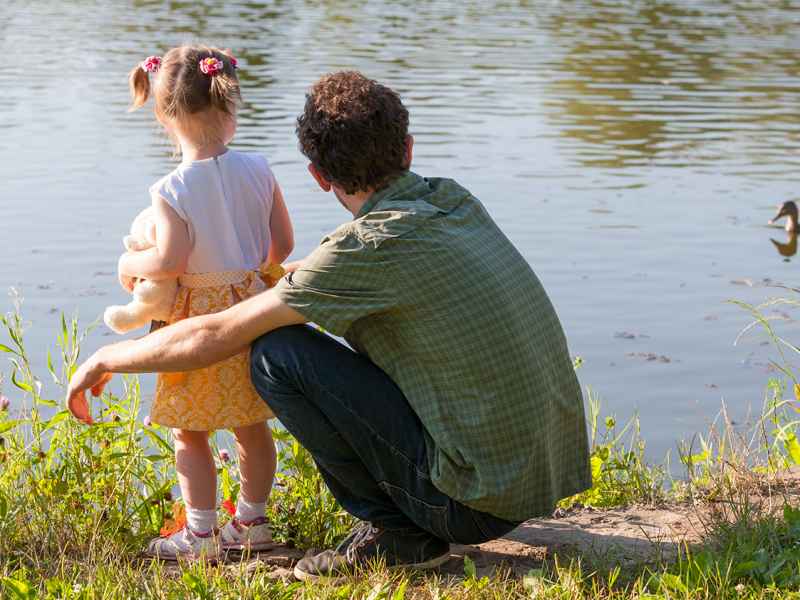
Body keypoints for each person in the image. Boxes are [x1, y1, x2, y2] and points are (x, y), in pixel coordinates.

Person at [67, 71, 591, 581]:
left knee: (275, 352)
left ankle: (398, 533)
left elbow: (212, 336)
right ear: (407, 149)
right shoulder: (450, 198)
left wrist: (105, 357)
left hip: (471, 506)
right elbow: (350, 257)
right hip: (541, 475)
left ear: (319, 177)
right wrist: (301, 273)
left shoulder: (362, 250)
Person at [72, 44, 294, 563]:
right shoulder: (261, 168)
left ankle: (200, 535)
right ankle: (254, 523)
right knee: (250, 421)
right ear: (230, 108)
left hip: (197, 320)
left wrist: (131, 266)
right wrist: (243, 271)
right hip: (251, 308)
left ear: (162, 117)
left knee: (189, 431)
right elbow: (281, 246)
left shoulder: (171, 188)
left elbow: (171, 262)